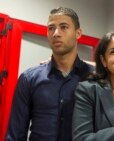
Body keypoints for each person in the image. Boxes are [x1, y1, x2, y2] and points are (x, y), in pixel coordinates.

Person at [5, 7, 94, 141]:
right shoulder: (29, 78)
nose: (56, 33)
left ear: (78, 33)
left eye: (64, 27)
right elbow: (15, 135)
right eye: (51, 28)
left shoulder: (94, 78)